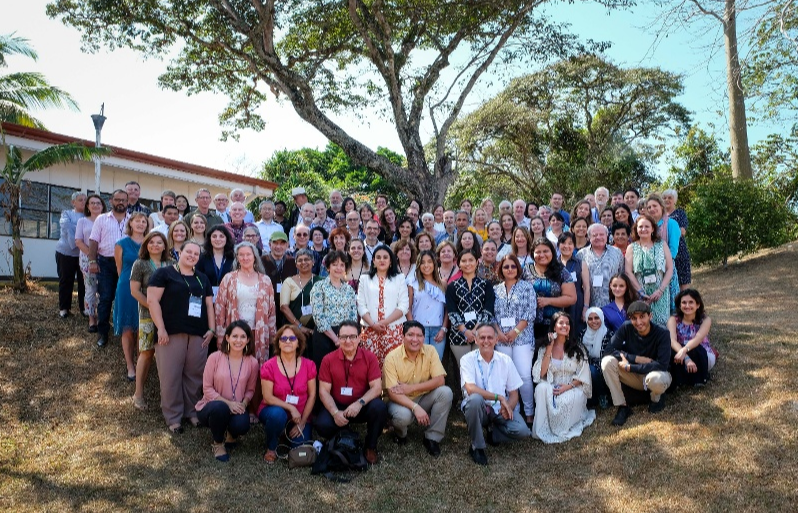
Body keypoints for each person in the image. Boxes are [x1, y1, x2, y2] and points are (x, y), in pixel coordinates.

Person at [147, 241, 216, 433]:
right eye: (189, 252)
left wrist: (212, 329)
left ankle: (192, 412)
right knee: (170, 376)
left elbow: (210, 306)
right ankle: (173, 417)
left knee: (194, 376)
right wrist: (160, 328)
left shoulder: (202, 278)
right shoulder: (164, 274)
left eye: (196, 254)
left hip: (198, 334)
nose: (192, 256)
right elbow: (152, 301)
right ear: (179, 252)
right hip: (170, 333)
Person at [315, 320, 388, 465]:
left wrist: (359, 403)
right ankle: (345, 436)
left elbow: (376, 388)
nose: (348, 341)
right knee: (322, 424)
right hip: (338, 405)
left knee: (380, 408)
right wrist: (335, 412)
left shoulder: (369, 358)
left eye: (352, 336)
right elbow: (323, 391)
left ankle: (370, 446)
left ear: (359, 338)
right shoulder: (328, 359)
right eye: (343, 337)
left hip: (361, 405)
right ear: (338, 337)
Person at [460, 323, 531, 465]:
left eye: (490, 337)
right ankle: (477, 447)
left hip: (499, 409)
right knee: (474, 400)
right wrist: (499, 397)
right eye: (482, 338)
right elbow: (470, 388)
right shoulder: (467, 359)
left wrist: (508, 407)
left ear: (496, 340)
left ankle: (494, 435)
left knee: (523, 431)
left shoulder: (505, 360)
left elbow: (514, 393)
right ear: (476, 340)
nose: (486, 341)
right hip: (479, 408)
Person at [384, 321, 453, 457]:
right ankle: (400, 434)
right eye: (410, 335)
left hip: (423, 397)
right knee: (403, 417)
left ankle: (432, 438)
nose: (415, 339)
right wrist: (415, 407)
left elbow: (440, 380)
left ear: (423, 337)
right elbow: (392, 393)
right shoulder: (391, 358)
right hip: (399, 401)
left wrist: (411, 388)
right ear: (402, 336)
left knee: (446, 392)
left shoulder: (430, 350)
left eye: (419, 336)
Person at [196, 320, 259, 462]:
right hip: (211, 406)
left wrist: (244, 404)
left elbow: (250, 390)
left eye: (243, 337)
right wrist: (228, 403)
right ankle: (218, 443)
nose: (238, 340)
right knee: (220, 408)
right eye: (235, 336)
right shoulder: (214, 357)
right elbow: (207, 388)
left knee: (242, 425)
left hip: (236, 407)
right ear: (227, 338)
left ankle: (231, 433)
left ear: (248, 340)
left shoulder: (252, 363)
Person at [601, 301, 672, 426]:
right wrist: (635, 359)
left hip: (656, 374)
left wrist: (630, 366)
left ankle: (656, 398)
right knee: (607, 362)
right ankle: (623, 406)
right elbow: (609, 350)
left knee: (656, 379)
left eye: (642, 317)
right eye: (634, 318)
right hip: (634, 375)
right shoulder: (626, 327)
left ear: (650, 316)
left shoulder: (662, 333)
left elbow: (662, 365)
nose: (638, 322)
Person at [532, 312, 595, 443]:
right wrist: (549, 347)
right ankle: (543, 428)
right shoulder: (544, 348)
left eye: (567, 323)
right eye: (561, 323)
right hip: (552, 385)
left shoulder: (578, 347)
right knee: (540, 388)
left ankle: (560, 429)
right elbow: (541, 374)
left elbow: (584, 374)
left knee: (567, 399)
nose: (564, 326)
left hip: (572, 386)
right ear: (554, 327)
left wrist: (568, 387)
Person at [259, 324, 317, 463]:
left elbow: (312, 395)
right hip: (274, 411)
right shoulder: (269, 366)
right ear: (278, 343)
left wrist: (302, 422)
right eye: (283, 338)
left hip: (300, 418)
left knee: (299, 448)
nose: (287, 341)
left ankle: (285, 434)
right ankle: (271, 447)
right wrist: (291, 407)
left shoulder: (309, 365)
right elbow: (267, 397)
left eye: (292, 338)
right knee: (277, 415)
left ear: (299, 343)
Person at [215, 241, 277, 365]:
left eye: (248, 254)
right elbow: (220, 308)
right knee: (235, 366)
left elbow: (271, 310)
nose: (245, 258)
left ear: (255, 257)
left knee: (256, 368)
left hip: (258, 332)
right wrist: (221, 333)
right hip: (235, 333)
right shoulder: (229, 279)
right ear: (237, 258)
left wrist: (272, 335)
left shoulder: (265, 280)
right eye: (241, 255)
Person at [130, 231, 172, 410]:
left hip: (168, 316)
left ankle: (168, 397)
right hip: (147, 315)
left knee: (167, 355)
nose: (155, 245)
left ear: (164, 246)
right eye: (152, 242)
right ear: (146, 245)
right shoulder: (140, 264)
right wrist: (151, 305)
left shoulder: (172, 264)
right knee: (146, 353)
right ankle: (138, 394)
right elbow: (135, 291)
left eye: (159, 242)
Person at [493, 254, 537, 424]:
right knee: (506, 376)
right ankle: (513, 410)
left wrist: (515, 332)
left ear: (517, 268)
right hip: (501, 339)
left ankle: (529, 412)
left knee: (524, 375)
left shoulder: (527, 287)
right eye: (506, 267)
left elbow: (530, 312)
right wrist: (499, 333)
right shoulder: (496, 289)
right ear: (501, 269)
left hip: (522, 338)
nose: (509, 269)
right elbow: (492, 315)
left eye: (512, 266)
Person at [88, 189, 130, 348]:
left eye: (124, 200)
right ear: (111, 200)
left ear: (127, 202)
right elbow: (93, 241)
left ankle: (124, 330)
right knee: (105, 297)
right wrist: (92, 261)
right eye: (117, 199)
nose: (121, 203)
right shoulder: (101, 219)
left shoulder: (133, 219)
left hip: (126, 264)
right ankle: (103, 332)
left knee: (125, 297)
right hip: (105, 262)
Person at [358, 246, 409, 368]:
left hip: (393, 329)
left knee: (393, 366)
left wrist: (385, 323)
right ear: (373, 261)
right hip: (370, 329)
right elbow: (361, 304)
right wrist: (373, 324)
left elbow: (403, 305)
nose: (382, 260)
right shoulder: (364, 279)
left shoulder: (399, 278)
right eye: (378, 257)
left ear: (391, 261)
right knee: (371, 366)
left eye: (385, 257)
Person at [114, 212, 148, 381]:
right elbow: (119, 269)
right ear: (131, 224)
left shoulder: (150, 243)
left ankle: (141, 361)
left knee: (142, 327)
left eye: (144, 221)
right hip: (126, 288)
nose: (141, 224)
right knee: (127, 328)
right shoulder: (121, 244)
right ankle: (130, 366)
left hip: (146, 289)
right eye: (137, 221)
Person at [446, 250, 496, 365]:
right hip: (458, 335)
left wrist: (475, 331)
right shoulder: (452, 286)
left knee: (480, 368)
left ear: (477, 262)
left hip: (482, 335)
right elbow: (452, 312)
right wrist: (465, 331)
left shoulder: (486, 284)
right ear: (459, 264)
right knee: (464, 370)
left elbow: (488, 309)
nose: (467, 263)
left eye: (471, 260)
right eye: (464, 261)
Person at [310, 251, 358, 369]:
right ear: (328, 267)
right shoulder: (319, 286)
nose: (338, 268)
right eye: (335, 264)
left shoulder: (349, 289)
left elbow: (353, 315)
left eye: (342, 265)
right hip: (325, 336)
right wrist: (336, 339)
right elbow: (318, 316)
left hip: (346, 336)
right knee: (324, 371)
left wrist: (346, 337)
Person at [625, 214, 675, 327]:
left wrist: (660, 290)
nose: (643, 229)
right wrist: (640, 292)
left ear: (652, 228)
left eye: (647, 226)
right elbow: (628, 272)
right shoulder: (631, 247)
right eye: (640, 227)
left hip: (660, 294)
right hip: (640, 294)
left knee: (661, 326)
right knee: (642, 324)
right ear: (636, 229)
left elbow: (670, 269)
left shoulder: (662, 244)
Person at [528, 237, 577, 339]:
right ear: (532, 254)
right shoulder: (526, 270)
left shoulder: (561, 271)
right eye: (538, 252)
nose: (542, 255)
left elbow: (571, 298)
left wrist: (548, 301)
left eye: (546, 251)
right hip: (529, 325)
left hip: (554, 324)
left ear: (552, 252)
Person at [667, 289, 716, 387]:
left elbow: (698, 338)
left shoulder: (705, 320)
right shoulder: (673, 320)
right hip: (681, 355)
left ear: (698, 305)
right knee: (670, 351)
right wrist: (686, 357)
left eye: (691, 302)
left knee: (696, 350)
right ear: (679, 305)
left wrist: (684, 350)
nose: (687, 306)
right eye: (684, 303)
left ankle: (696, 377)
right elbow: (672, 340)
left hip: (702, 354)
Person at [407, 250, 447, 360]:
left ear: (434, 264)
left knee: (436, 364)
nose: (426, 265)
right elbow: (408, 308)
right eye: (423, 262)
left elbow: (447, 310)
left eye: (429, 262)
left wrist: (443, 329)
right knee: (419, 363)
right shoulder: (412, 283)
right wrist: (413, 329)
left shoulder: (442, 284)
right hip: (419, 329)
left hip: (438, 330)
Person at [279, 249, 323, 346]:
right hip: (293, 331)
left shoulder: (321, 282)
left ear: (313, 262)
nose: (303, 262)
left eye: (307, 259)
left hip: (315, 332)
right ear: (296, 264)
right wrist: (299, 326)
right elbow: (284, 307)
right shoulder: (289, 281)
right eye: (300, 260)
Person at [579, 224, 625, 316]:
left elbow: (622, 275)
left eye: (601, 234)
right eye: (595, 235)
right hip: (590, 305)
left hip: (613, 303)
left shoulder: (617, 252)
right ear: (588, 237)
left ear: (607, 236)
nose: (598, 237)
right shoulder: (581, 254)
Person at [75, 194, 105, 332]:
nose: (95, 205)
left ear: (102, 206)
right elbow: (78, 241)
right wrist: (92, 255)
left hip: (105, 258)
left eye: (98, 203)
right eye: (92, 203)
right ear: (87, 206)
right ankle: (91, 318)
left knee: (103, 290)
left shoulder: (106, 220)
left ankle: (101, 315)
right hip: (87, 259)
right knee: (91, 289)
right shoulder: (82, 221)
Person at [645, 194, 681, 306]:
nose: (652, 209)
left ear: (661, 206)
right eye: (649, 207)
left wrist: (661, 263)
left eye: (654, 206)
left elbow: (673, 250)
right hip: (650, 270)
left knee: (670, 303)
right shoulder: (646, 226)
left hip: (666, 268)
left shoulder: (671, 224)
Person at [55, 191, 86, 318]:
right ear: (73, 202)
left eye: (85, 200)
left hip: (83, 254)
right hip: (65, 252)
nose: (83, 202)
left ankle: (84, 308)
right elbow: (66, 228)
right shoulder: (66, 213)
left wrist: (76, 228)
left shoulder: (88, 216)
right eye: (80, 200)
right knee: (66, 280)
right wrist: (77, 242)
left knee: (83, 282)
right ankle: (64, 308)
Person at [261, 232, 298, 328]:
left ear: (287, 245)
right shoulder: (261, 261)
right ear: (270, 245)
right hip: (266, 307)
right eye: (275, 243)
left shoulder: (293, 262)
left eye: (282, 243)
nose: (278, 246)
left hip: (288, 308)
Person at [581, 307, 613, 408]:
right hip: (585, 365)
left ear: (602, 319)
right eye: (590, 319)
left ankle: (603, 395)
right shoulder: (582, 334)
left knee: (592, 370)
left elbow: (608, 356)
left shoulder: (608, 334)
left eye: (596, 318)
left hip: (602, 367)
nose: (593, 321)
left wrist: (591, 363)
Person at [662, 189, 693, 291]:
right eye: (664, 198)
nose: (667, 200)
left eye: (670, 198)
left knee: (683, 284)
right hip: (664, 253)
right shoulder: (660, 216)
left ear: (674, 200)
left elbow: (683, 231)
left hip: (680, 252)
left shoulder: (679, 213)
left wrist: (668, 233)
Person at [197, 225, 235, 304]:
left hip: (229, 300)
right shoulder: (202, 258)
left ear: (226, 239)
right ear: (209, 239)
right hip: (207, 300)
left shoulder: (233, 258)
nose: (218, 239)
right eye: (214, 236)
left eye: (221, 236)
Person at [558, 232, 585, 334]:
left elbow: (586, 288)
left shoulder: (580, 263)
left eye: (570, 243)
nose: (566, 246)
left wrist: (585, 307)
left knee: (575, 331)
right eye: (563, 243)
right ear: (558, 245)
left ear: (574, 245)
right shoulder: (554, 264)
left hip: (577, 303)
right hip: (559, 301)